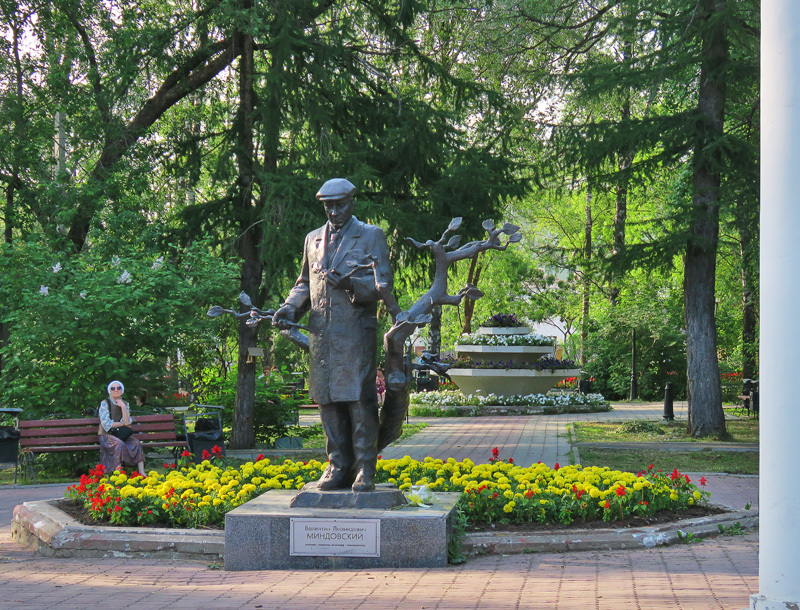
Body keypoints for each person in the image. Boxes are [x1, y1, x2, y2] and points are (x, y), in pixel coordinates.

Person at [273, 178, 392, 492]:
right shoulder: (312, 239)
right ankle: (337, 465)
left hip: (355, 334)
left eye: (340, 204)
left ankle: (364, 468)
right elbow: (303, 284)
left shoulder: (370, 236)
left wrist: (351, 284)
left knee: (358, 400)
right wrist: (289, 308)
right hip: (321, 335)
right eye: (329, 206)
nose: (335, 211)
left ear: (352, 202)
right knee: (327, 401)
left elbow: (383, 284)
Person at [98, 380, 146, 476]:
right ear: (109, 391)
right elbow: (107, 425)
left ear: (122, 390)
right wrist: (122, 423)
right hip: (106, 435)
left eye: (118, 388)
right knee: (119, 444)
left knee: (136, 443)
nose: (116, 390)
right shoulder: (105, 403)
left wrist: (123, 407)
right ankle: (118, 474)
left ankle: (142, 473)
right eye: (113, 388)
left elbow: (127, 422)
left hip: (121, 434)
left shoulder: (125, 404)